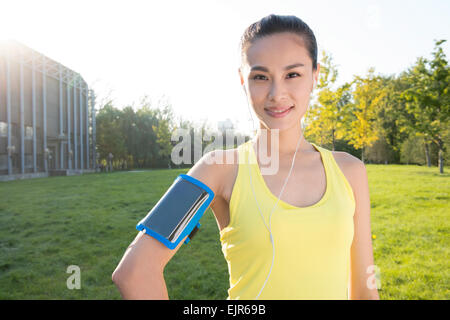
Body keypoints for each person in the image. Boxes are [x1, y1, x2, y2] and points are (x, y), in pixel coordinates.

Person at [112, 14, 379, 300]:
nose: (277, 94)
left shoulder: (350, 170)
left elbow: (365, 289)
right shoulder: (218, 169)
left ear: (315, 75)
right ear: (243, 79)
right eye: (261, 77)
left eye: (292, 74)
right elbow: (135, 272)